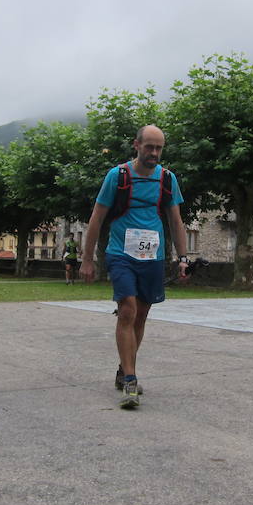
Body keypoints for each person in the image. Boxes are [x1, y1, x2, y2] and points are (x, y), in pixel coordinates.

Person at [79, 124, 189, 409]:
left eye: (159, 148)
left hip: (152, 256)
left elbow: (176, 221)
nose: (154, 153)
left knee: (140, 315)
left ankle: (123, 367)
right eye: (149, 146)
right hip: (120, 254)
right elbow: (96, 218)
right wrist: (88, 259)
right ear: (136, 145)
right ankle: (130, 379)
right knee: (127, 309)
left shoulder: (167, 179)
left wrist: (184, 257)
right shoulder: (118, 176)